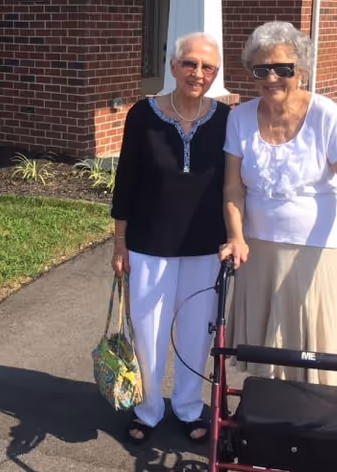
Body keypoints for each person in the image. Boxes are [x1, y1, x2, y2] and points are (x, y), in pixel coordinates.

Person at [219, 21, 337, 386]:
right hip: (259, 249)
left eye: (283, 68)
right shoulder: (239, 117)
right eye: (262, 70)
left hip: (317, 249)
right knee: (267, 355)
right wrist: (236, 236)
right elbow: (232, 189)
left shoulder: (325, 114)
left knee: (312, 353)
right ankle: (268, 414)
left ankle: (312, 416)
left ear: (301, 71)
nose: (272, 77)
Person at [110, 32, 230, 444]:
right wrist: (120, 241)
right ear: (174, 66)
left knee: (197, 335)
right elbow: (126, 179)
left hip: (206, 247)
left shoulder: (226, 118)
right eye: (190, 63)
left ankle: (189, 406)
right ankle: (148, 408)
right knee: (148, 334)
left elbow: (235, 184)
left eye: (208, 67)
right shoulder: (143, 115)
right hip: (149, 244)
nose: (198, 73)